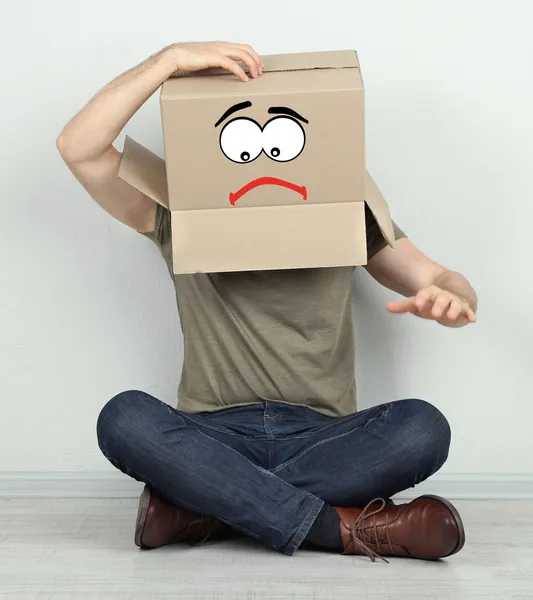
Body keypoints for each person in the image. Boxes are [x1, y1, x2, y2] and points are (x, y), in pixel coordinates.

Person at [57, 41, 478, 562]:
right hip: (211, 434)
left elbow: (437, 276)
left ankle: (207, 506)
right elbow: (80, 147)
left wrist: (451, 297)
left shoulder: (346, 211)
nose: (261, 157)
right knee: (123, 418)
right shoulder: (177, 213)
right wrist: (166, 61)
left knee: (423, 429)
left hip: (323, 437)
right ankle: (338, 529)